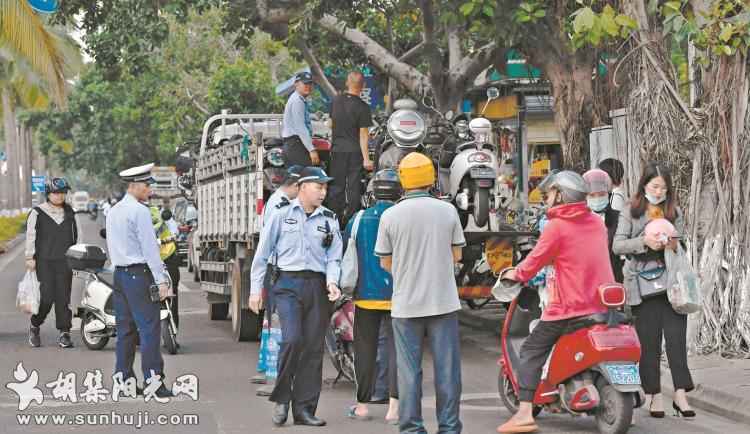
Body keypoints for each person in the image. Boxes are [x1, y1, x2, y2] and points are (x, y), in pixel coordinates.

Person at [497, 171, 614, 434]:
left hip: (568, 307)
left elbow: (533, 263)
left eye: (549, 194)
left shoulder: (557, 227)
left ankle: (525, 412)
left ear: (560, 195)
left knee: (531, 350)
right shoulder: (596, 222)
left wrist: (514, 273)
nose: (546, 199)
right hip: (600, 305)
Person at [374, 152, 465, 434]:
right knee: (447, 371)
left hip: (406, 306)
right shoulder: (448, 211)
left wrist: (407, 272)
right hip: (444, 303)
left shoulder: (390, 216)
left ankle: (412, 427)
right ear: (431, 179)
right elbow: (457, 255)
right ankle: (449, 427)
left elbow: (385, 261)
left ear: (403, 180)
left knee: (409, 372)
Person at [248, 166, 343, 427]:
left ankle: (305, 409)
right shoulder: (281, 215)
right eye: (318, 186)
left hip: (317, 285)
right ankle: (282, 399)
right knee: (292, 339)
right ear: (301, 187)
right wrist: (256, 291)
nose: (323, 192)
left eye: (325, 187)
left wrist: (333, 281)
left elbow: (334, 257)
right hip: (287, 284)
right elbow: (262, 255)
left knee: (313, 348)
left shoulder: (329, 220)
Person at [612, 162, 695, 419]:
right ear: (644, 185)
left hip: (672, 284)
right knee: (649, 343)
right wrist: (643, 242)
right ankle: (654, 395)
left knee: (676, 339)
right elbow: (617, 246)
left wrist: (671, 244)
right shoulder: (631, 211)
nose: (659, 192)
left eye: (663, 187)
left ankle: (680, 393)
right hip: (641, 284)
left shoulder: (673, 211)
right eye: (654, 186)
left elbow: (681, 243)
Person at [106, 163, 172, 398]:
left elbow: (112, 246)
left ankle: (123, 381)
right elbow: (150, 251)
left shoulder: (113, 211)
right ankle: (154, 382)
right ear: (134, 186)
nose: (149, 190)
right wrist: (162, 281)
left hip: (120, 276)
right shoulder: (140, 212)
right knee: (149, 330)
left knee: (125, 331)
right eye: (146, 186)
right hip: (138, 275)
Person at [344, 168, 401, 424]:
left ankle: (362, 405)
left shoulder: (358, 219)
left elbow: (346, 248)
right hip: (399, 296)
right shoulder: (403, 217)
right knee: (396, 350)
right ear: (399, 192)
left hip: (365, 296)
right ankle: (394, 408)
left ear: (372, 193)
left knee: (364, 350)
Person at [251, 165, 303, 395]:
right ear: (294, 186)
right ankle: (274, 377)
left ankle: (268, 371)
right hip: (277, 269)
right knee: (278, 323)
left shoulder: (275, 200)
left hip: (273, 270)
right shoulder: (282, 205)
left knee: (272, 322)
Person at [26, 177, 79, 348]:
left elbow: (74, 236)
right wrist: (29, 257)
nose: (60, 196)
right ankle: (35, 325)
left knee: (63, 298)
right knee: (47, 297)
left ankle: (64, 333)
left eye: (63, 193)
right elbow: (30, 236)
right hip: (44, 261)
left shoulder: (70, 212)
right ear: (48, 194)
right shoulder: (37, 212)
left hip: (65, 262)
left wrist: (76, 257)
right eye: (56, 193)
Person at [328, 71, 374, 221]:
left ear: (347, 83)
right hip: (355, 152)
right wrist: (367, 159)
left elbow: (330, 124)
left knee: (336, 186)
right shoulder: (363, 107)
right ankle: (350, 221)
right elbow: (363, 134)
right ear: (363, 86)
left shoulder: (335, 101)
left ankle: (334, 219)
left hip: (337, 150)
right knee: (353, 187)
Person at [583, 168, 624, 283]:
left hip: (614, 278)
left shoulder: (620, 218)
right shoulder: (579, 221)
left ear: (608, 194)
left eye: (601, 194)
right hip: (586, 281)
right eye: (592, 195)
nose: (597, 199)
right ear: (585, 197)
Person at [151, 207, 180, 331]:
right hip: (147, 262)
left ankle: (173, 329)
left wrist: (171, 237)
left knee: (172, 295)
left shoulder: (162, 217)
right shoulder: (133, 217)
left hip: (168, 260)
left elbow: (175, 231)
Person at [282, 72, 317, 167]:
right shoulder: (298, 101)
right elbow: (300, 127)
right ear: (296, 84)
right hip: (296, 144)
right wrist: (311, 149)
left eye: (310, 83)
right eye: (305, 83)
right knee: (310, 178)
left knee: (297, 179)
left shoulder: (296, 98)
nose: (308, 86)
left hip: (291, 144)